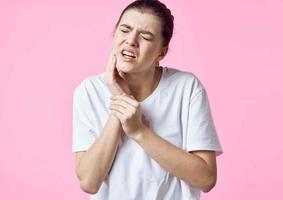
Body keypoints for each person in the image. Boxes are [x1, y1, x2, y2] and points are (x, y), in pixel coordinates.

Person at [72, 0, 223, 199]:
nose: (131, 40)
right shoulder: (89, 91)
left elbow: (206, 178)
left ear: (162, 52)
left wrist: (139, 131)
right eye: (124, 30)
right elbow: (89, 183)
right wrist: (121, 101)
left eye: (146, 36)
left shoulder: (187, 88)